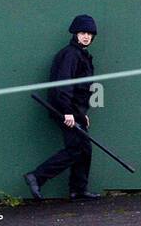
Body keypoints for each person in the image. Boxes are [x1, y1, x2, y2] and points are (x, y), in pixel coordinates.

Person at [25, 16, 101, 201]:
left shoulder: (83, 55)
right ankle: (37, 176)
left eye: (89, 34)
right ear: (75, 34)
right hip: (65, 109)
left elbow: (83, 87)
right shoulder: (70, 54)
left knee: (84, 149)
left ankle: (78, 189)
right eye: (83, 33)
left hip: (75, 110)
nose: (86, 37)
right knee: (76, 149)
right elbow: (64, 84)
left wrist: (82, 114)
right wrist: (67, 112)